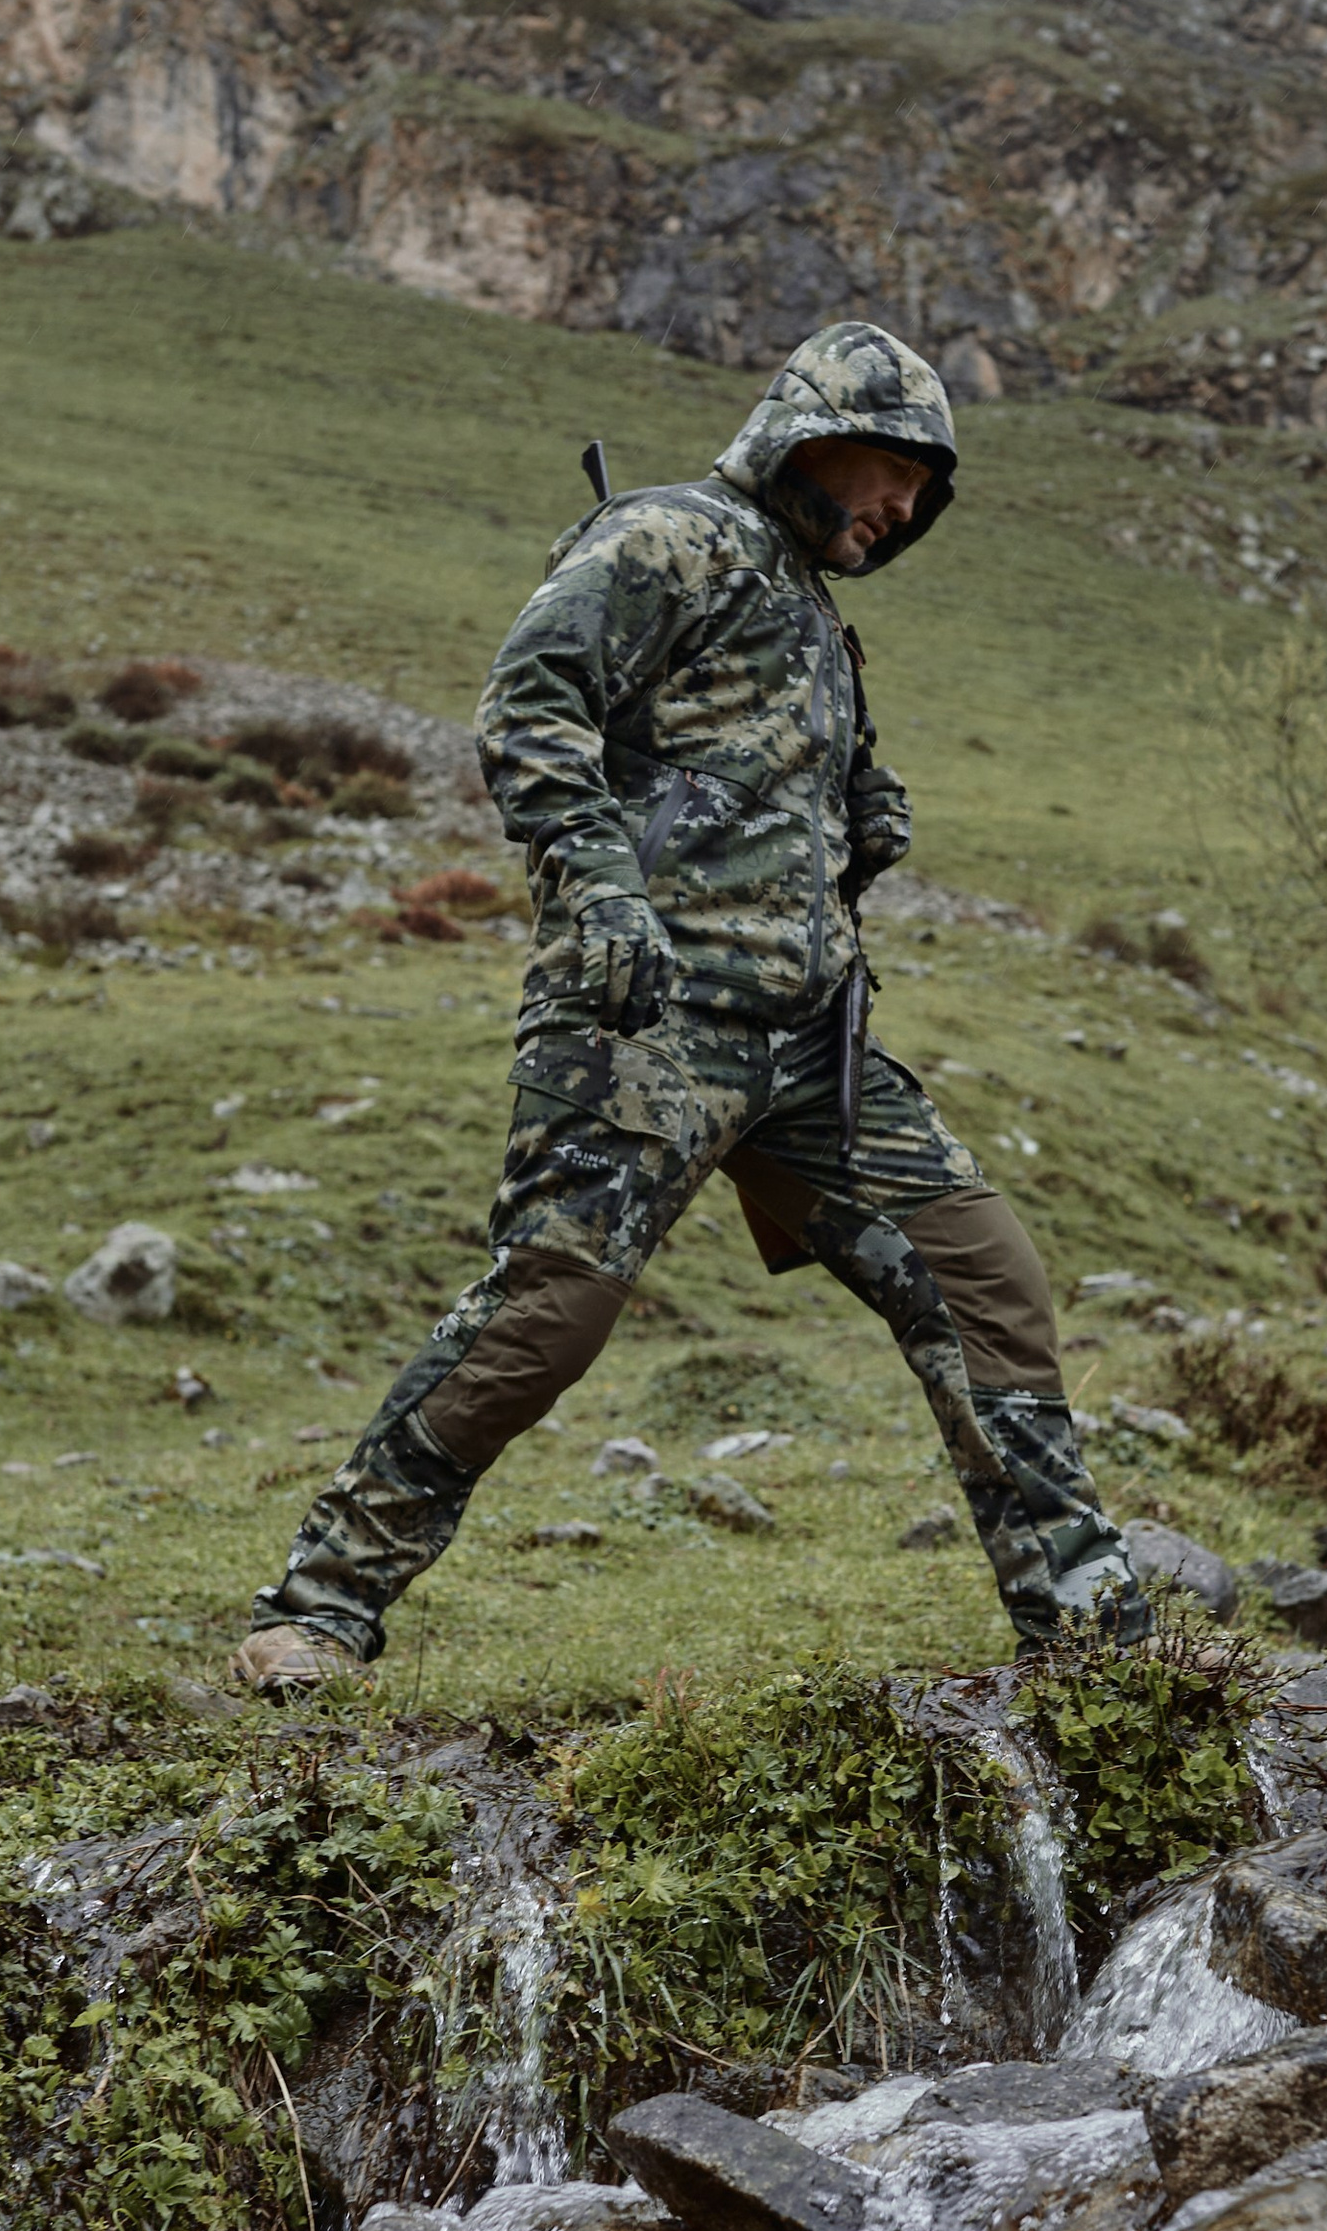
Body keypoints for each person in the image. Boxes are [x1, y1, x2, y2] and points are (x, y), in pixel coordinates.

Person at [233, 319, 1149, 1692]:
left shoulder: (813, 615)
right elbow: (531, 697)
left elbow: (733, 773)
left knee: (984, 1279)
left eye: (925, 491)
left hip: (812, 1046)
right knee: (548, 1318)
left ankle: (1089, 1639)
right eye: (892, 469)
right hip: (647, 1021)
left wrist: (857, 817)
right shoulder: (671, 537)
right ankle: (321, 1605)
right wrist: (597, 889)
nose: (905, 508)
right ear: (810, 431)